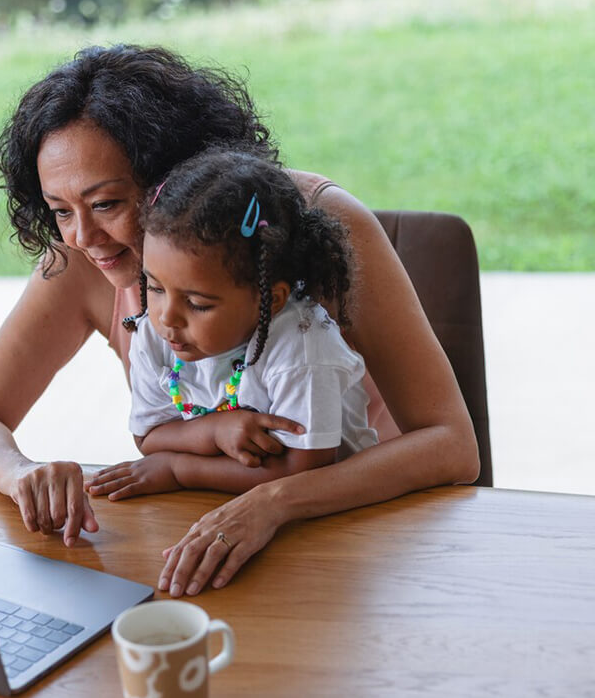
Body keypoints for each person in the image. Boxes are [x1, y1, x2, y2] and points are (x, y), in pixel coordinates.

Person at [0, 44, 479, 597]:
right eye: (60, 210)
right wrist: (19, 473)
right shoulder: (82, 258)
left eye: (105, 204)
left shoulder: (304, 229)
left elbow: (450, 446)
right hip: (208, 535)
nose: (83, 238)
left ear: (171, 180)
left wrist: (274, 501)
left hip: (362, 531)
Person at [86, 148, 378, 501]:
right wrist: (213, 431)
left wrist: (180, 470)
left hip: (331, 514)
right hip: (219, 504)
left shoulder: (301, 347)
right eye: (155, 287)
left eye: (197, 303)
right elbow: (148, 436)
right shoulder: (156, 333)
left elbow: (303, 471)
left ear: (272, 298)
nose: (167, 316)